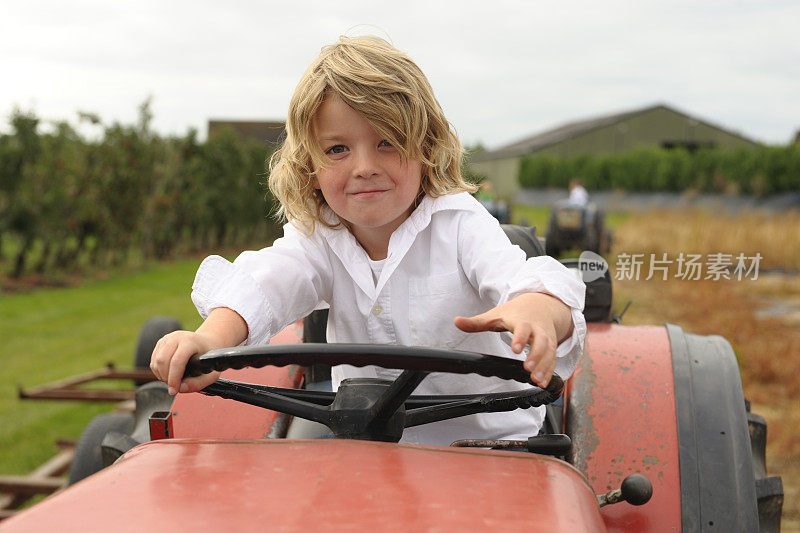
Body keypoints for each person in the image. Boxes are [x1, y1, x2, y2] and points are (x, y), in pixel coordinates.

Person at [150, 35, 586, 446]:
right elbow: (267, 282)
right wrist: (210, 341)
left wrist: (536, 309)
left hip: (488, 449)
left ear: (426, 148)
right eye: (338, 149)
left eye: (386, 142)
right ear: (309, 167)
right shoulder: (320, 238)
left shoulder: (459, 224)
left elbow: (523, 280)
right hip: (369, 448)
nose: (364, 166)